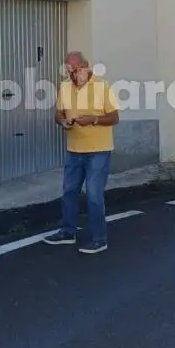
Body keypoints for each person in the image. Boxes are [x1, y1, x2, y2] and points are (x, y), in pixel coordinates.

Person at [43, 51, 119, 254]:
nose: (72, 75)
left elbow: (114, 117)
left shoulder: (102, 87)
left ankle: (99, 239)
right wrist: (62, 121)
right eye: (69, 71)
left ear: (86, 66)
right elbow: (58, 113)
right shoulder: (65, 87)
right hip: (74, 150)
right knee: (69, 192)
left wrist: (93, 119)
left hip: (98, 151)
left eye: (75, 70)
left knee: (94, 195)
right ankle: (68, 232)